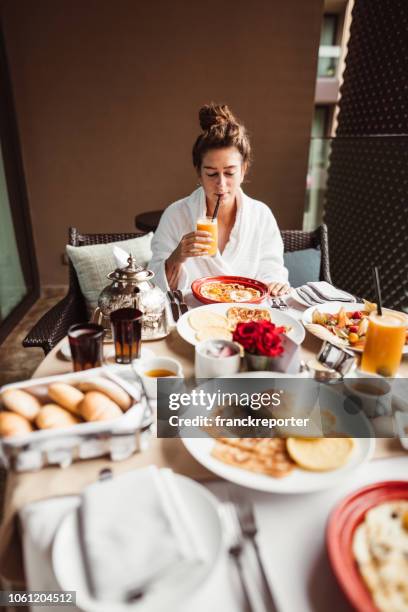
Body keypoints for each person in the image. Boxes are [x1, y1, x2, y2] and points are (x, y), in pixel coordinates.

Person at [149, 103, 289, 296]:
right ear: (199, 173)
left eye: (230, 173)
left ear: (243, 170)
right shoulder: (176, 214)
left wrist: (276, 283)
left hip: (246, 316)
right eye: (212, 174)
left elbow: (272, 270)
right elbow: (154, 288)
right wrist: (177, 257)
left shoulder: (260, 215)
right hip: (193, 317)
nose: (221, 184)